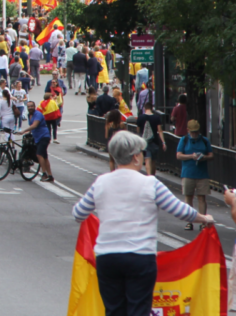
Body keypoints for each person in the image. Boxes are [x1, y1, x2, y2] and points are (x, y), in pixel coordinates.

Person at [72, 131, 212, 316]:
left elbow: (78, 213)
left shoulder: (101, 183)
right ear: (136, 156)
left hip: (107, 257)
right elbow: (180, 210)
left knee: (113, 310)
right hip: (139, 257)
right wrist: (204, 218)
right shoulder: (150, 184)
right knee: (138, 310)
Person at [176, 119, 213, 231]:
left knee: (202, 197)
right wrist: (191, 156)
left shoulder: (204, 140)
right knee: (188, 197)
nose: (195, 134)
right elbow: (178, 155)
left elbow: (211, 155)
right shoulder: (184, 140)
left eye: (196, 132)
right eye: (193, 132)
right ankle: (189, 221)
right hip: (188, 173)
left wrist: (204, 157)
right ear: (188, 130)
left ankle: (202, 221)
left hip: (202, 173)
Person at [16, 100, 54, 183]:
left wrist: (23, 131)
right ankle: (50, 175)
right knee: (45, 157)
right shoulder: (30, 115)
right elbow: (32, 127)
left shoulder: (38, 114)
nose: (30, 108)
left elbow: (35, 125)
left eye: (31, 106)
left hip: (44, 136)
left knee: (39, 154)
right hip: (37, 137)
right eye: (28, 106)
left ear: (35, 106)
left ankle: (44, 174)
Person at [136, 101, 166, 177]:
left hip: (144, 143)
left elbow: (138, 131)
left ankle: (149, 177)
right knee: (153, 162)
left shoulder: (140, 118)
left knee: (147, 160)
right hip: (155, 142)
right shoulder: (157, 118)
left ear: (145, 108)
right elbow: (160, 131)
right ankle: (152, 177)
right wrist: (163, 142)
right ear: (152, 108)